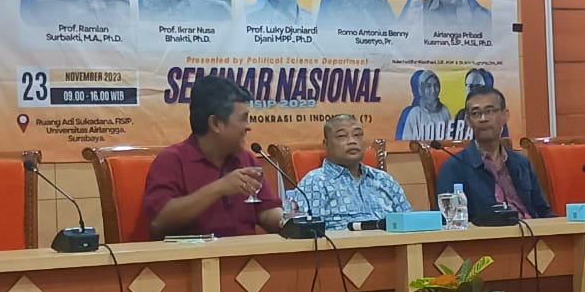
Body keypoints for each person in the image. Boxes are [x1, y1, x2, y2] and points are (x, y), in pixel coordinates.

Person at [142, 75, 283, 238]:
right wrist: (220, 187)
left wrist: (287, 221)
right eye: (243, 118)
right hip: (196, 254)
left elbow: (266, 211)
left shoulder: (247, 159)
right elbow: (159, 223)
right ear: (216, 124)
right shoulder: (171, 160)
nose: (248, 127)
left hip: (247, 253)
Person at [437, 85, 552, 222]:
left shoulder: (521, 163)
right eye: (475, 113)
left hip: (531, 230)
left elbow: (543, 212)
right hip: (488, 234)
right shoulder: (455, 167)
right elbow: (447, 221)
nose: (483, 118)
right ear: (468, 121)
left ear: (505, 115)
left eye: (489, 111)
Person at [295, 115, 413, 231]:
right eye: (342, 136)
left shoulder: (384, 180)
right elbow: (305, 233)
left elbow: (410, 223)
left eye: (357, 135)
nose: (352, 141)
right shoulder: (315, 182)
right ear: (326, 144)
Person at [396, 69, 452, 141]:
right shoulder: (414, 113)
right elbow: (405, 143)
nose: (433, 90)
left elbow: (449, 139)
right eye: (428, 86)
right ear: (421, 89)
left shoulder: (444, 111)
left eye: (436, 85)